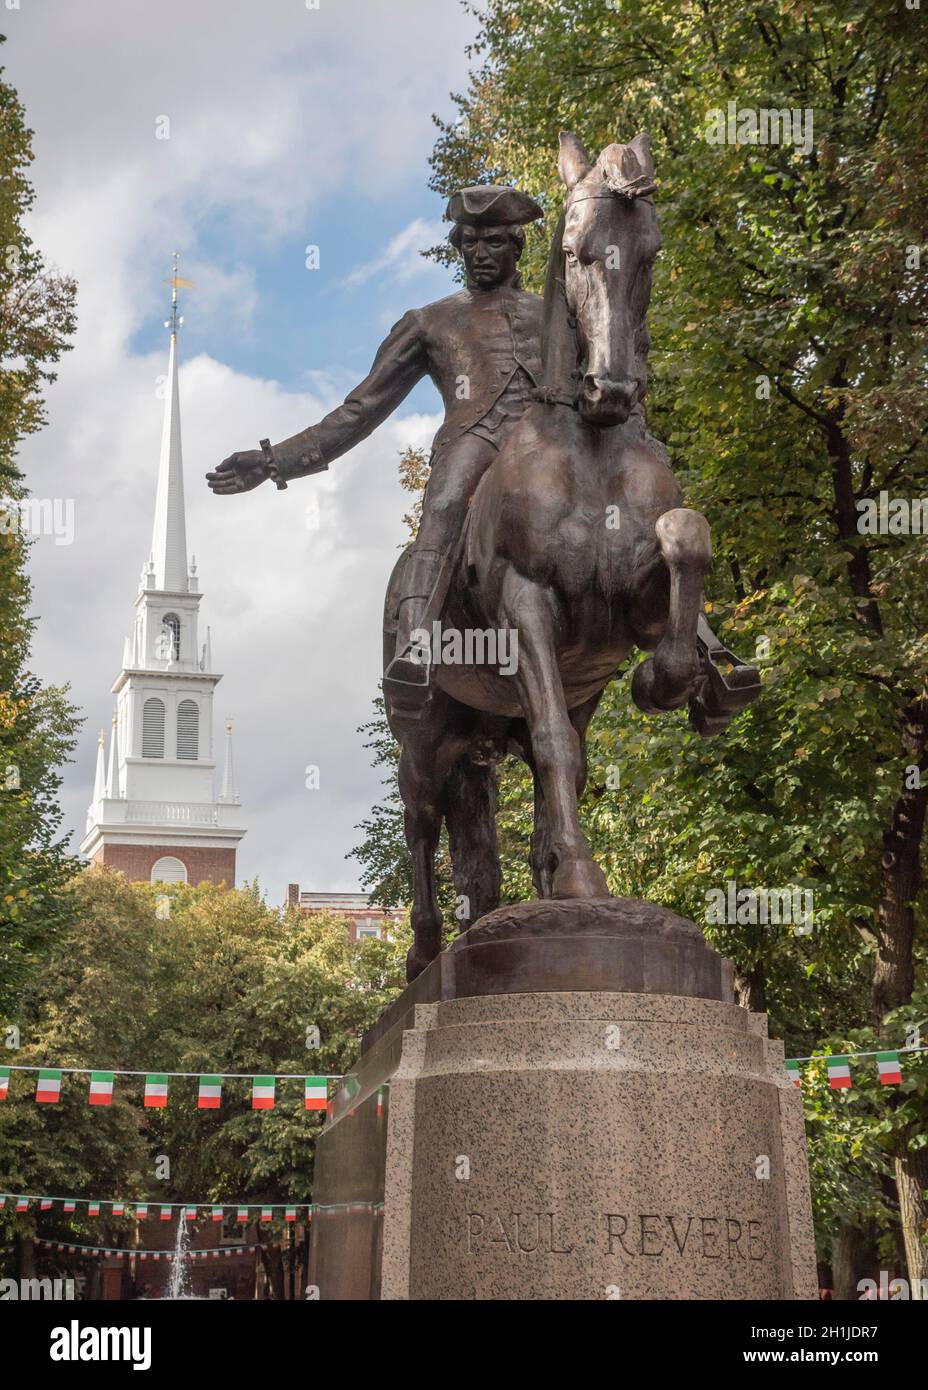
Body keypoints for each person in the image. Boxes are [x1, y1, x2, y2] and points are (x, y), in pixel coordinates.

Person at [206, 185, 545, 712]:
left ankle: (698, 644)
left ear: (517, 246)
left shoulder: (558, 315)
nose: (481, 253)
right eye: (471, 242)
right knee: (446, 502)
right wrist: (273, 461)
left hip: (551, 446)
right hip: (477, 440)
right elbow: (360, 411)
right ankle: (415, 642)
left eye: (495, 241)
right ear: (458, 247)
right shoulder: (429, 322)